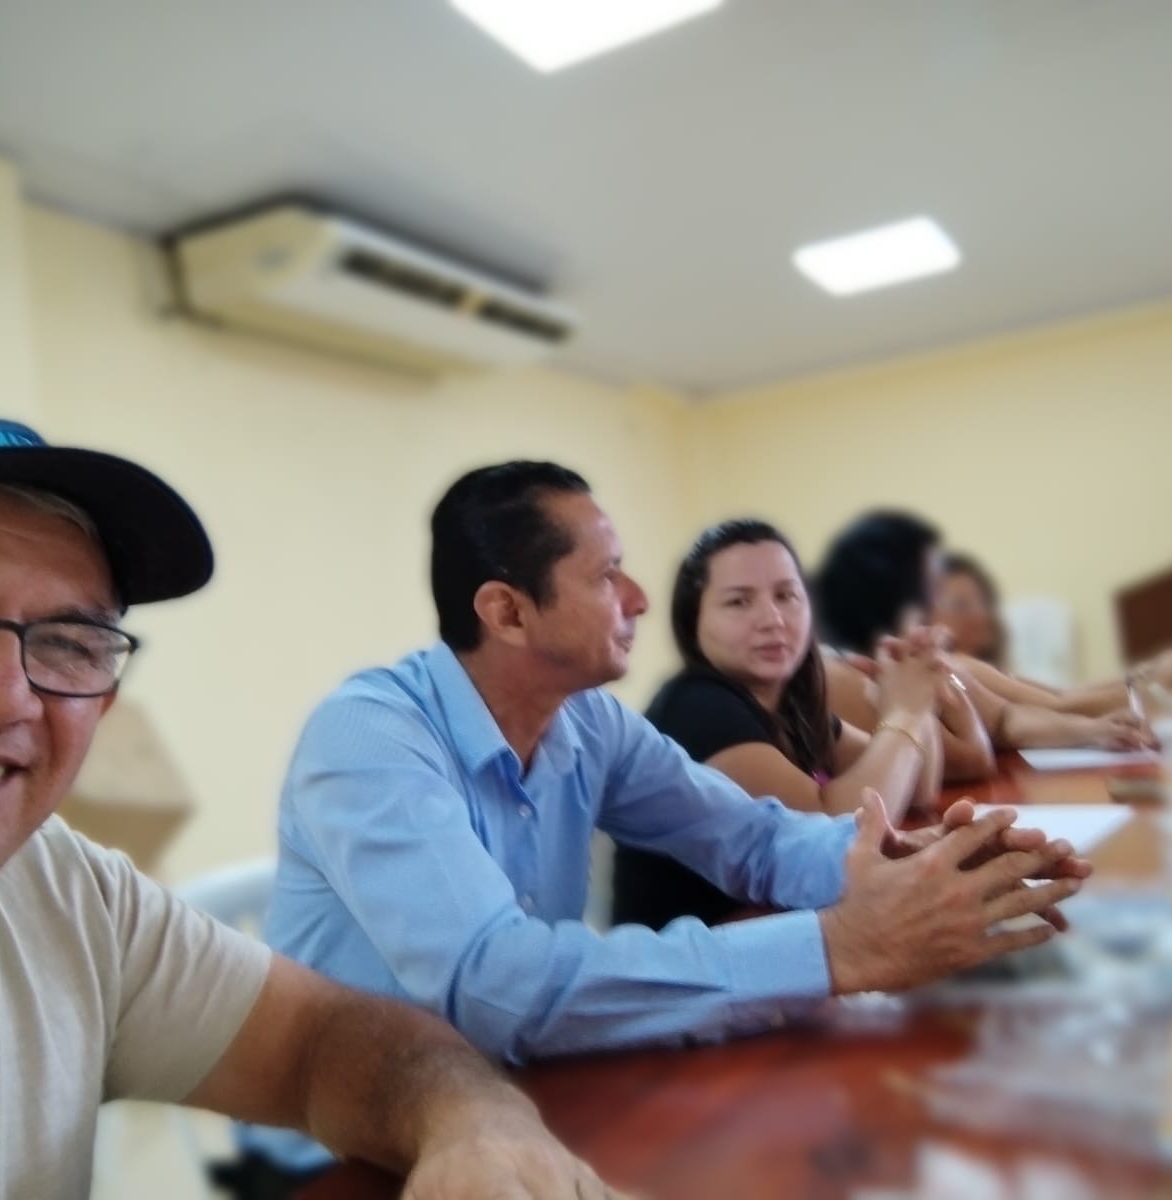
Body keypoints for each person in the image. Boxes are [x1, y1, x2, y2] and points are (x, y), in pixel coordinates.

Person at [0, 412, 616, 1200]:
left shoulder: (63, 892)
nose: (0, 698)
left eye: (67, 641)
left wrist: (477, 1126)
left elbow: (324, 1041)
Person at [247, 461, 1090, 1171]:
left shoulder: (588, 720)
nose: (639, 598)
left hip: (518, 1099)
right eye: (605, 575)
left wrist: (896, 862)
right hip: (351, 1153)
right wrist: (838, 947)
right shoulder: (369, 739)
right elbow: (495, 986)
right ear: (505, 611)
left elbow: (752, 838)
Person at [609, 518, 951, 931]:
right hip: (699, 957)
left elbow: (918, 789)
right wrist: (905, 712)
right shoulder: (695, 707)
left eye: (786, 595)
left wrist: (917, 684)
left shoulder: (792, 706)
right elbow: (839, 831)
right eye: (739, 602)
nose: (772, 619)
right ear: (693, 621)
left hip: (777, 933)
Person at [814, 512, 1156, 780]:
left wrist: (1093, 731)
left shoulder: (925, 659)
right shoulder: (841, 679)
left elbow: (1004, 718)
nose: (935, 606)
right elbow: (972, 760)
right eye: (932, 590)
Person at [933, 549, 1172, 716]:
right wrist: (1157, 687)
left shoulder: (975, 667)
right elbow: (1058, 707)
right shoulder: (958, 666)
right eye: (961, 605)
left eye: (983, 602)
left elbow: (1063, 694)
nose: (982, 615)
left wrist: (1147, 673)